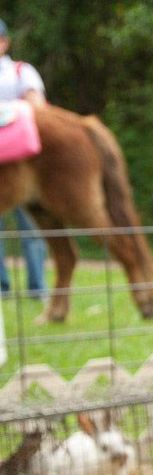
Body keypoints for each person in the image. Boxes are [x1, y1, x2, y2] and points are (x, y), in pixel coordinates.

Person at [0, 17, 48, 298]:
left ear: (5, 42)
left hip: (21, 163)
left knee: (31, 226)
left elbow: (37, 108)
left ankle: (37, 287)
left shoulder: (21, 72)